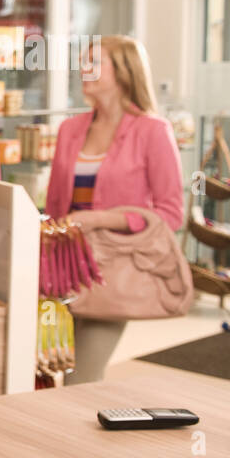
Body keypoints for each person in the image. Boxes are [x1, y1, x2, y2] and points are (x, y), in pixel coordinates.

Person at [45, 35, 184, 385]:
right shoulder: (69, 129)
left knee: (81, 381)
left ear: (123, 72)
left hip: (111, 272)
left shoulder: (153, 131)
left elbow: (170, 213)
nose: (84, 69)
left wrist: (103, 219)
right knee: (45, 378)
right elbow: (54, 206)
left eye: (95, 62)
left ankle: (73, 439)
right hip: (61, 270)